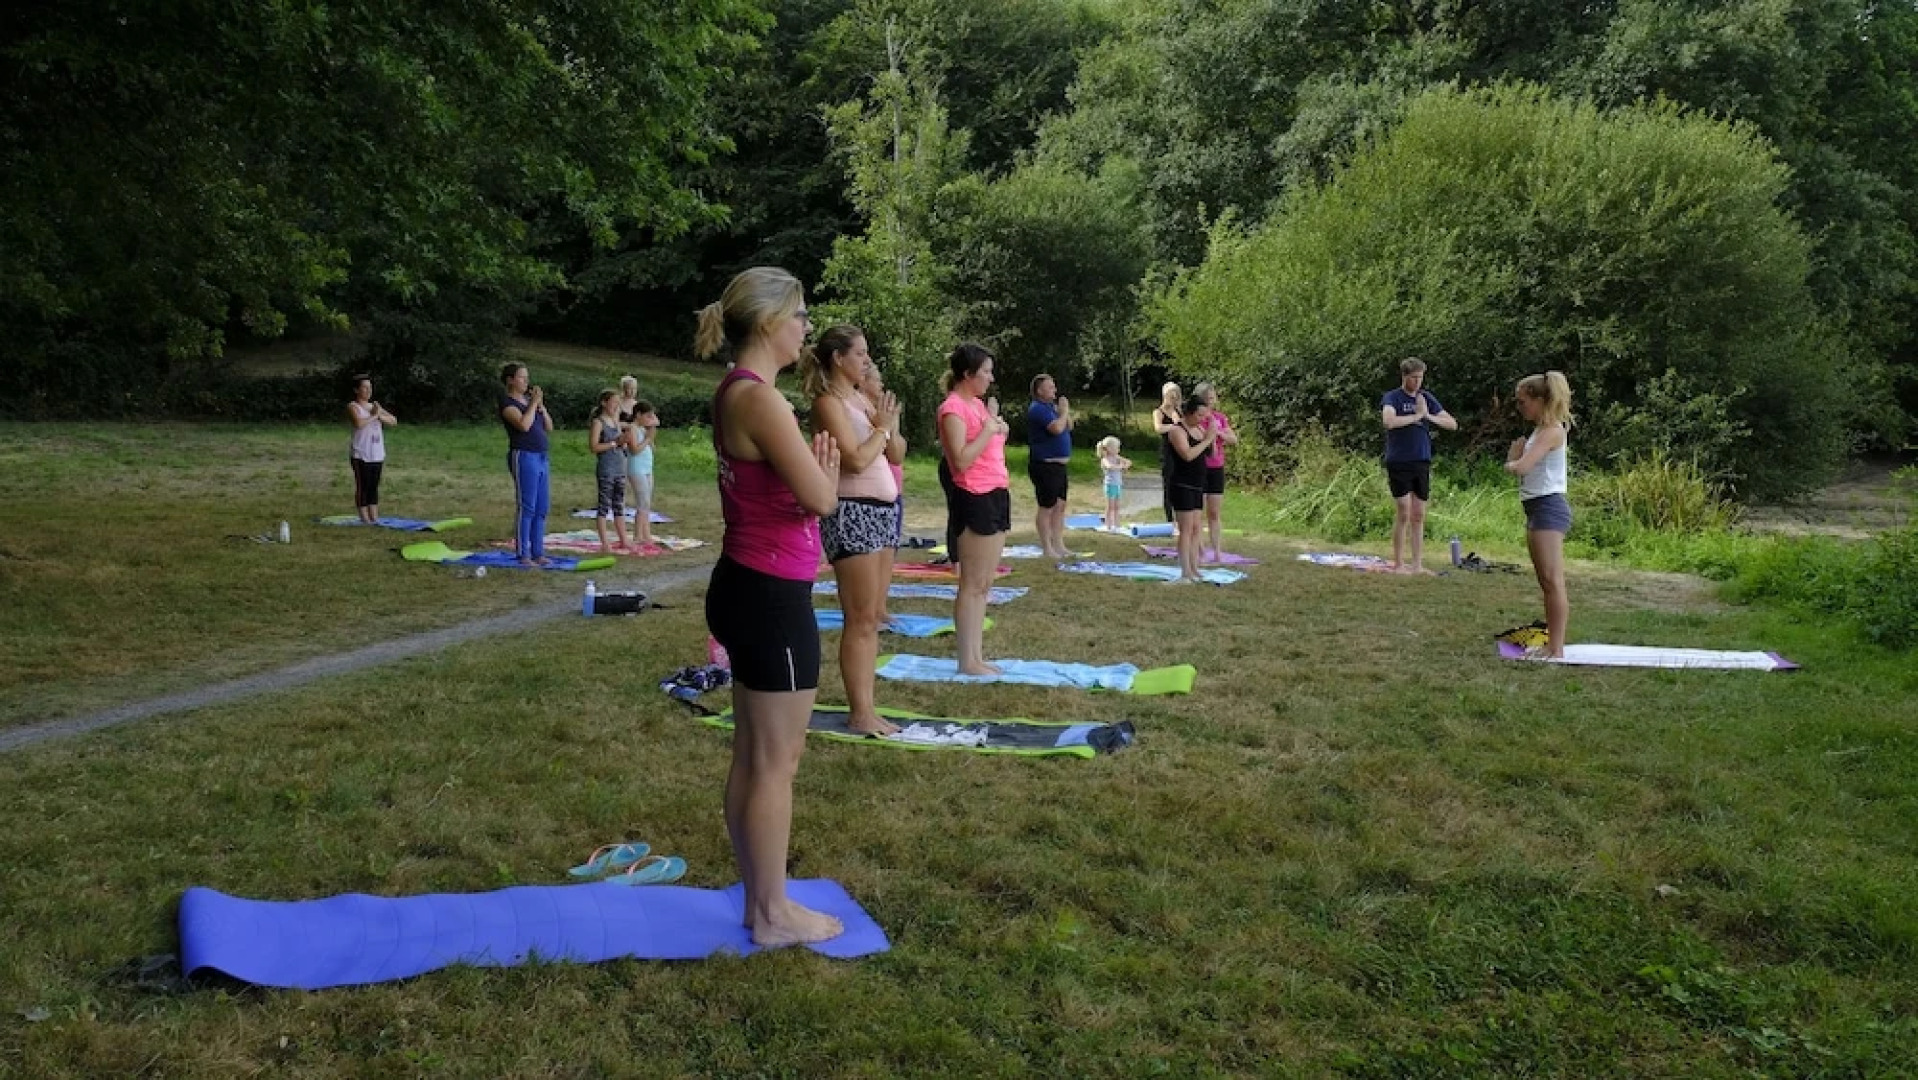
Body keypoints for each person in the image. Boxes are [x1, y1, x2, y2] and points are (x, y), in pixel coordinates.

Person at [697, 266, 845, 949]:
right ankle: (776, 913)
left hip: (744, 585)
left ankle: (761, 905)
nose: (807, 327)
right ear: (767, 324)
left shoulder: (738, 391)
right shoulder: (762, 401)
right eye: (801, 315)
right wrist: (828, 476)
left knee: (753, 754)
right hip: (771, 599)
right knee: (776, 760)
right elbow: (819, 500)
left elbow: (782, 494)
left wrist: (813, 481)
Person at [806, 324, 904, 736]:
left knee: (872, 619)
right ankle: (859, 711)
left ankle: (867, 706)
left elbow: (896, 452)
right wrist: (880, 429)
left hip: (882, 511)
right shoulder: (828, 403)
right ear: (838, 358)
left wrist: (889, 423)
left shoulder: (863, 398)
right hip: (852, 512)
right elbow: (855, 461)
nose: (866, 359)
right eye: (860, 353)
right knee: (860, 618)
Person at [938, 343, 1011, 675]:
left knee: (985, 584)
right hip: (973, 496)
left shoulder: (978, 405)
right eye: (985, 372)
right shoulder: (953, 409)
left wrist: (997, 428)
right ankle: (967, 660)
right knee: (971, 583)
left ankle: (976, 656)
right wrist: (988, 429)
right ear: (967, 374)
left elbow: (990, 447)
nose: (990, 378)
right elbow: (961, 460)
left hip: (997, 492)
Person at [1505, 371, 1574, 658]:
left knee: (1552, 580)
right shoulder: (1539, 430)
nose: (1520, 408)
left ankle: (1555, 648)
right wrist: (1518, 459)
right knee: (1545, 581)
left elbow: (1521, 468)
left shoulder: (1552, 432)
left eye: (1523, 402)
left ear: (1540, 399)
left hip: (1548, 507)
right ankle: (1551, 644)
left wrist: (1512, 459)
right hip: (1535, 508)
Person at [1380, 357, 1457, 573]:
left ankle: (1417, 564)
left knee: (1418, 514)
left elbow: (1452, 423)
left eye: (1420, 377)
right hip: (1399, 461)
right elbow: (1389, 422)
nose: (1417, 382)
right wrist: (1415, 416)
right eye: (1414, 378)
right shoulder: (1392, 397)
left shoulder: (1426, 398)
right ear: (1404, 376)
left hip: (1421, 460)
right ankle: (1398, 563)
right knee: (1404, 511)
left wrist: (1427, 416)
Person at [499, 362, 553, 566]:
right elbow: (523, 425)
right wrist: (532, 405)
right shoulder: (508, 404)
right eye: (522, 377)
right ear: (510, 380)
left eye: (527, 377)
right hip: (524, 455)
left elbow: (549, 426)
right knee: (527, 506)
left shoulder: (531, 402)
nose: (526, 382)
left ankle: (538, 551)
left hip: (541, 456)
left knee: (542, 507)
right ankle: (524, 553)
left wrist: (541, 406)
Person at [1165, 396, 1218, 583]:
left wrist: (1212, 436)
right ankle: (1185, 571)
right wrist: (1207, 440)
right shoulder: (1176, 430)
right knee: (1186, 530)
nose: (1202, 418)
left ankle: (1195, 568)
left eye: (1205, 415)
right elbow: (1187, 455)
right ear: (1189, 412)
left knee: (1197, 529)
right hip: (1182, 484)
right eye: (1199, 414)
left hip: (1198, 484)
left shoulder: (1199, 429)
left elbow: (1211, 454)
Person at [1025, 374, 1074, 559]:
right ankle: (1047, 547)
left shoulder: (1052, 408)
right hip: (1044, 465)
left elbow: (1068, 426)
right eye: (1050, 387)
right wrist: (1063, 412)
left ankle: (1059, 544)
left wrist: (1064, 411)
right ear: (1039, 390)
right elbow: (1056, 428)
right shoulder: (1038, 409)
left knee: (1060, 505)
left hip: (1059, 466)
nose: (1055, 389)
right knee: (1047, 506)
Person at [1193, 382, 1238, 563]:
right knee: (1196, 511)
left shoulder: (1220, 417)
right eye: (1207, 399)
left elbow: (1233, 439)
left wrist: (1218, 433)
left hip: (1216, 468)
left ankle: (1217, 551)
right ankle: (1200, 550)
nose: (1211, 402)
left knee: (1214, 513)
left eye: (1213, 398)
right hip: (1199, 467)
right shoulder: (1196, 417)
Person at [346, 374, 396, 523]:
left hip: (377, 453)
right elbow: (359, 424)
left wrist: (379, 414)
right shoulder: (353, 406)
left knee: (374, 486)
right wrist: (375, 416)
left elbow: (393, 421)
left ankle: (374, 517)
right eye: (364, 387)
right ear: (356, 390)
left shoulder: (374, 407)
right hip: (361, 453)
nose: (368, 390)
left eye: (370, 387)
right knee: (363, 486)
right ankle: (364, 518)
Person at [589, 390, 632, 552]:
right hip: (607, 468)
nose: (616, 406)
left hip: (620, 467)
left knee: (619, 505)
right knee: (604, 506)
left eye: (617, 403)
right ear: (604, 403)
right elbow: (594, 447)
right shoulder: (598, 422)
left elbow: (621, 442)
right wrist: (614, 443)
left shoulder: (615, 421)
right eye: (613, 402)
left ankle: (623, 539)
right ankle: (605, 542)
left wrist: (624, 442)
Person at [624, 400, 660, 549]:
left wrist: (650, 429)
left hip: (647, 468)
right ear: (638, 415)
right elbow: (634, 450)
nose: (650, 419)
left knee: (647, 502)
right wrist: (648, 439)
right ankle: (638, 535)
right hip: (636, 468)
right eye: (647, 416)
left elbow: (657, 422)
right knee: (642, 501)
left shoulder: (644, 429)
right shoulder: (632, 428)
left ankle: (646, 534)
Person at [1150, 382, 1183, 523]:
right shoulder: (1158, 412)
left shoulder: (1180, 412)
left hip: (1181, 450)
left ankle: (1182, 516)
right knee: (1168, 485)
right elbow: (1159, 428)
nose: (1173, 399)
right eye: (1171, 396)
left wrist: (1178, 419)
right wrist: (1174, 425)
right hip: (1168, 451)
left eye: (1176, 396)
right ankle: (1170, 519)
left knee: (1181, 485)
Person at [1096, 436, 1132, 531]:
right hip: (1110, 485)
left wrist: (1126, 465)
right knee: (1110, 506)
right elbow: (1110, 467)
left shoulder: (1117, 457)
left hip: (1118, 484)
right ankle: (1108, 525)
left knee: (1117, 506)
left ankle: (1116, 524)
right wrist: (1120, 466)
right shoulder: (1105, 459)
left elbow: (1128, 461)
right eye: (1117, 448)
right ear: (1109, 449)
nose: (1118, 450)